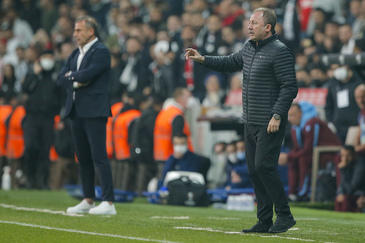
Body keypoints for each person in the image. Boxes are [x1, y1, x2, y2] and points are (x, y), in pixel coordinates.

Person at [185, 7, 297, 233]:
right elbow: (229, 62)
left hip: (269, 122)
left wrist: (277, 114)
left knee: (264, 166)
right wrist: (203, 59)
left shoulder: (280, 51)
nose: (249, 26)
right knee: (255, 171)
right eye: (249, 23)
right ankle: (264, 220)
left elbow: (290, 86)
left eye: (254, 23)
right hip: (250, 121)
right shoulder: (248, 48)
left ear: (267, 27)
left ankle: (284, 216)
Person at [57, 16, 116, 215]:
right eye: (75, 30)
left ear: (91, 31)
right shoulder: (75, 53)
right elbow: (60, 78)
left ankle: (108, 202)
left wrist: (71, 77)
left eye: (79, 30)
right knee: (82, 158)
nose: (75, 34)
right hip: (77, 110)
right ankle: (88, 199)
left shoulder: (102, 51)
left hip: (94, 110)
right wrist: (75, 79)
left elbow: (88, 75)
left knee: (99, 156)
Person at [279, 102, 342, 202]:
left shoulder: (313, 123)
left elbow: (309, 149)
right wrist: (288, 156)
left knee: (303, 158)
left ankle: (303, 193)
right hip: (315, 153)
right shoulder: (295, 128)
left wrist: (289, 156)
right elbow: (297, 148)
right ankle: (292, 194)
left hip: (329, 153)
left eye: (293, 115)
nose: (290, 118)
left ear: (301, 113)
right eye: (289, 116)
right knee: (294, 160)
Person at [22, 49, 62, 190]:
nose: (48, 60)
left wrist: (61, 116)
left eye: (50, 57)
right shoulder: (33, 74)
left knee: (45, 150)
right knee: (31, 147)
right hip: (32, 117)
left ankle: (43, 181)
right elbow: (24, 88)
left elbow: (62, 97)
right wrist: (35, 73)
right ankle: (30, 178)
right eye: (45, 57)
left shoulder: (56, 76)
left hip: (48, 118)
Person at [154, 87, 194, 179]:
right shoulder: (177, 115)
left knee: (161, 181)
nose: (191, 99)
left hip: (160, 153)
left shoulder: (165, 112)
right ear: (180, 98)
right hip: (171, 155)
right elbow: (178, 136)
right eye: (188, 96)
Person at [325, 65, 362, 143]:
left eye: (337, 68)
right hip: (339, 127)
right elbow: (329, 105)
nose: (335, 71)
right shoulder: (333, 84)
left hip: (355, 126)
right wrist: (332, 120)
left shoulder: (359, 82)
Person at [335, 145, 365, 212]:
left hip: (360, 193)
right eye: (342, 156)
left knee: (346, 199)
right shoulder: (346, 164)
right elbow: (341, 183)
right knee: (339, 199)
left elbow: (351, 189)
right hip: (351, 193)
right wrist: (340, 193)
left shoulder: (360, 166)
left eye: (348, 156)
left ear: (354, 155)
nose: (344, 159)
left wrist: (343, 170)